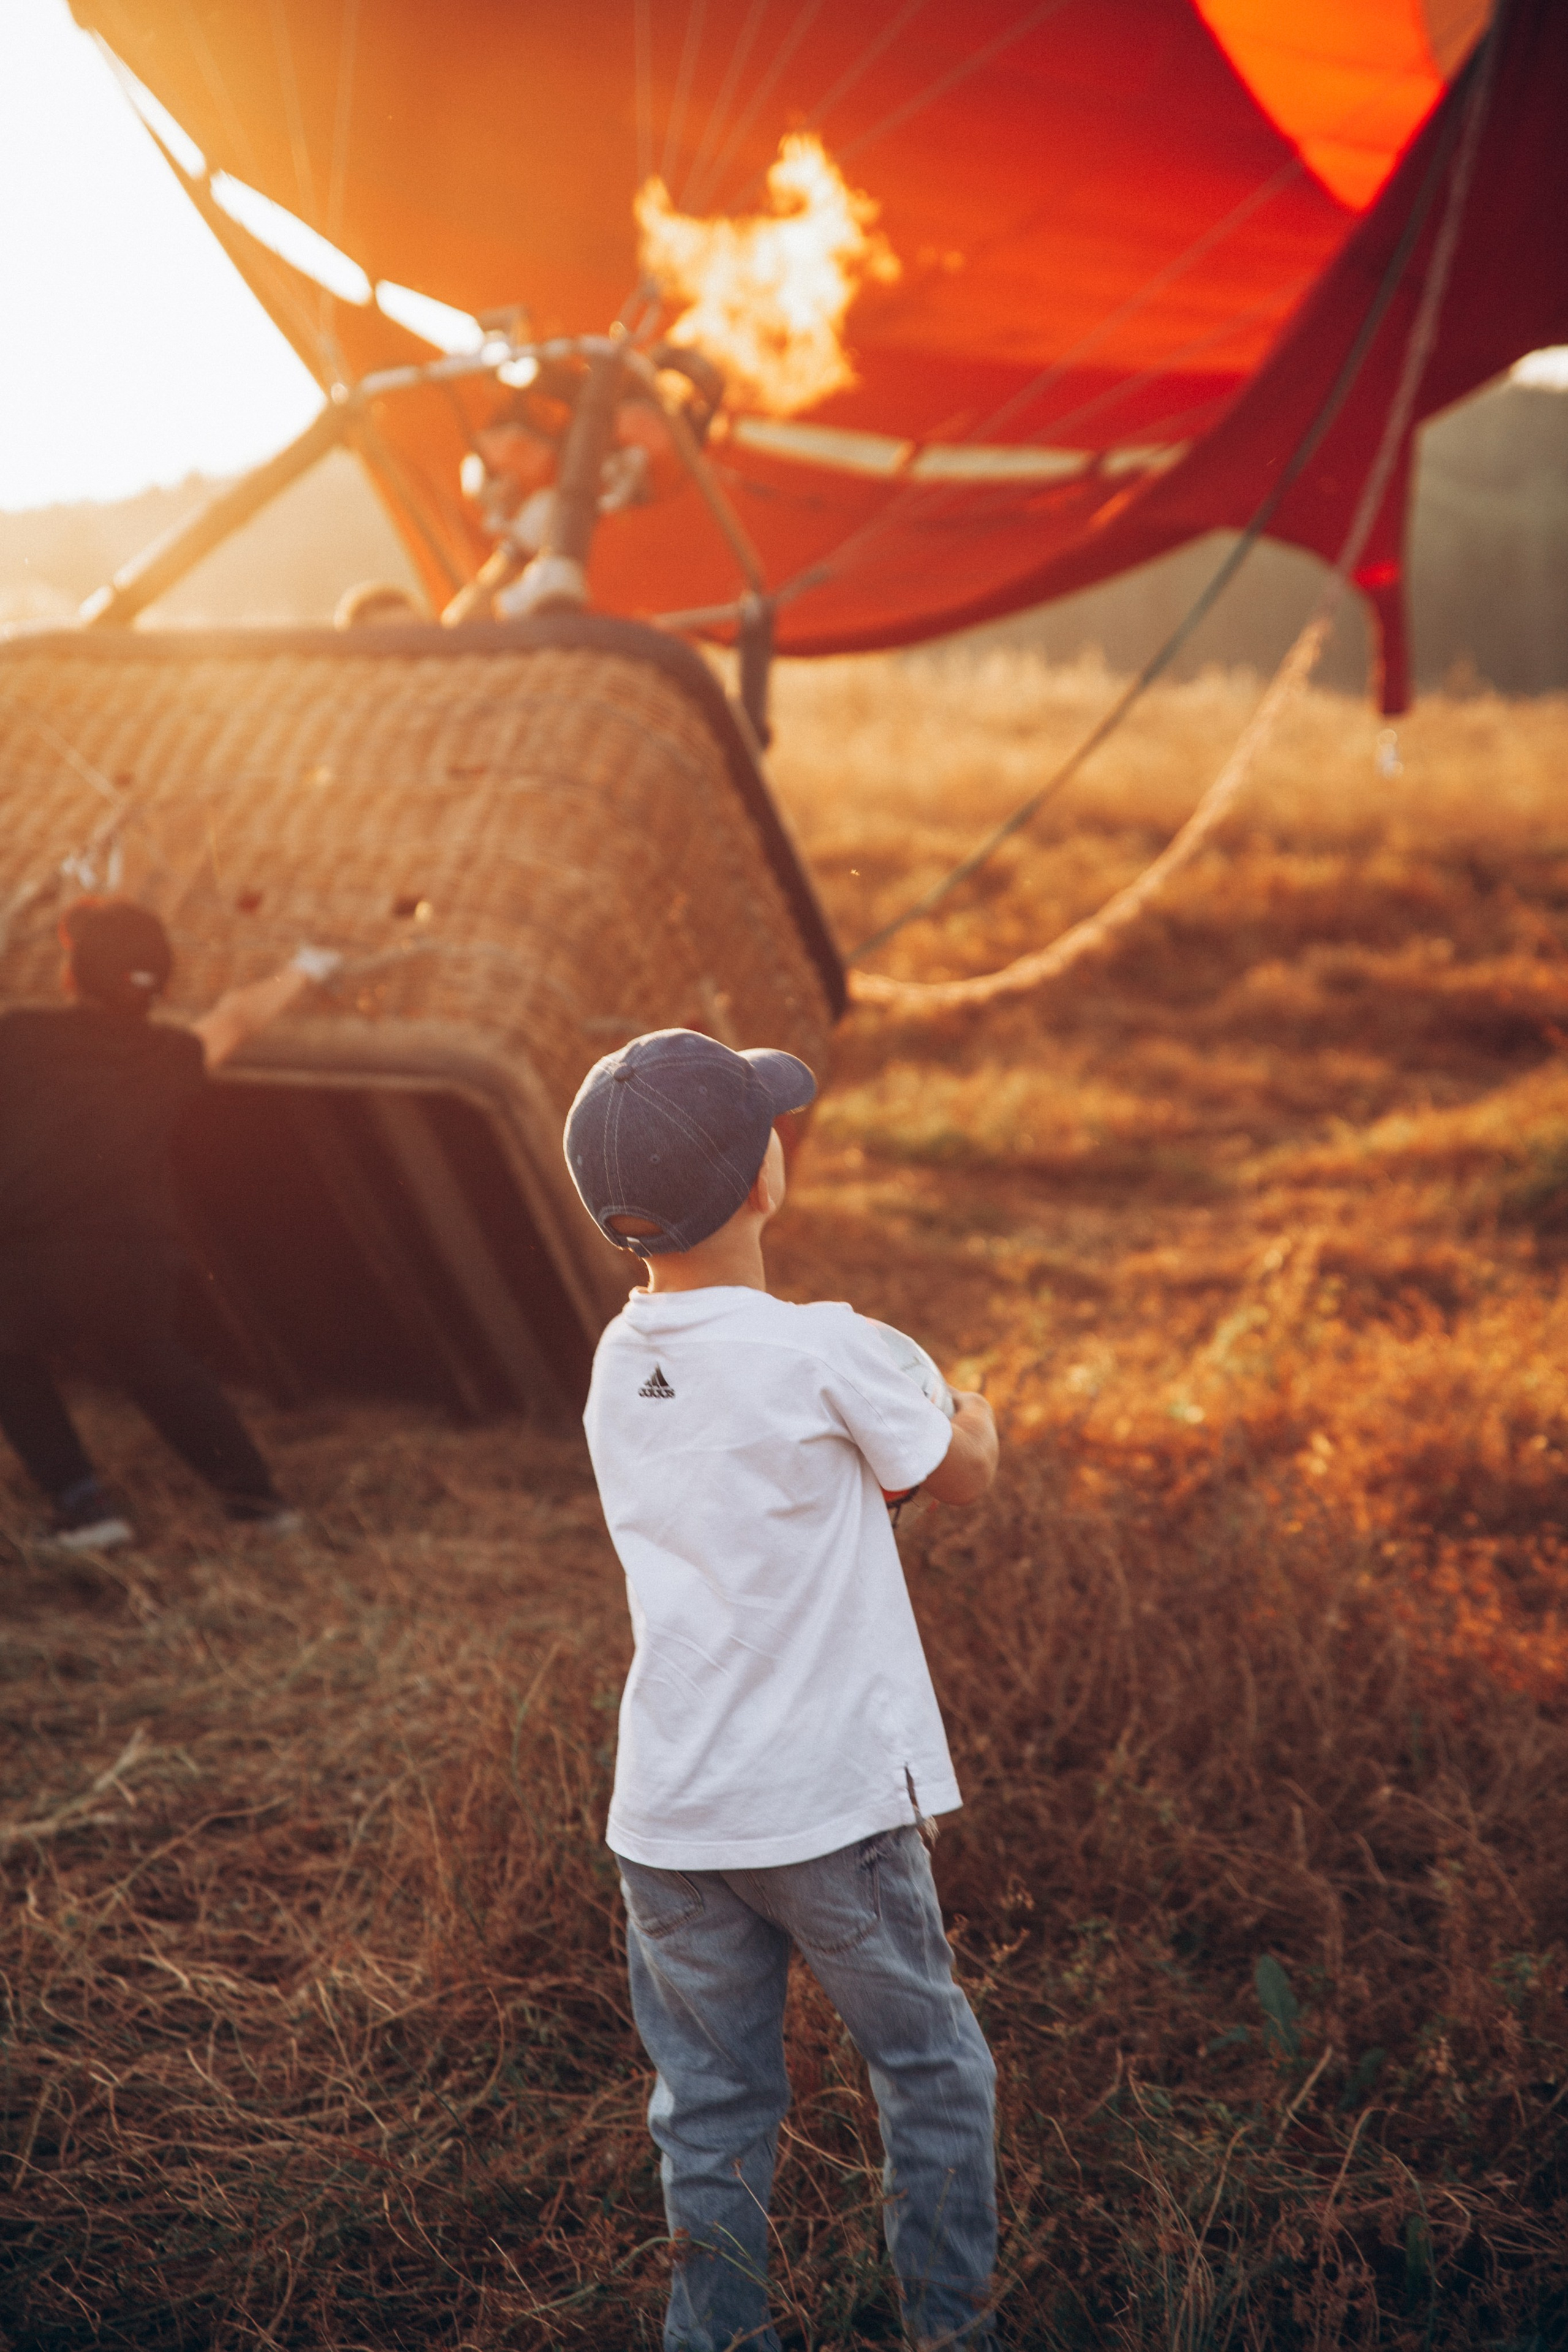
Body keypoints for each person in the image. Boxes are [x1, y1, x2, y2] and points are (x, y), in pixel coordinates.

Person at [564, 1027, 1002, 2352]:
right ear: (762, 1182)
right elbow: (953, 1474)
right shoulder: (827, 1346)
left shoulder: (609, 1365)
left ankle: (717, 2337)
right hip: (829, 1812)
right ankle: (947, 2328)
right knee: (929, 2075)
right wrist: (968, 1412)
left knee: (708, 2106)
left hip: (672, 1820)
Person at [0, 897, 341, 1553]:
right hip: (127, 1257)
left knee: (8, 1357)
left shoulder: (20, 1035)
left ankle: (82, 1508)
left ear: (72, 975)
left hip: (25, 1253)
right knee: (157, 1365)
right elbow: (237, 1016)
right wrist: (307, 968)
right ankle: (258, 1503)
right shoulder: (168, 1054)